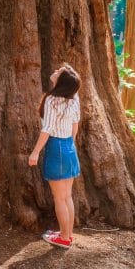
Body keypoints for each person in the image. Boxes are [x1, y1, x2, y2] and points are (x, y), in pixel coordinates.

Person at [28, 64, 81, 249]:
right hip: (68, 146)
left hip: (57, 146)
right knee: (67, 197)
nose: (56, 71)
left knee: (60, 198)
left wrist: (35, 152)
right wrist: (70, 145)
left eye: (60, 72)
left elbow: (48, 129)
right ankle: (67, 235)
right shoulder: (74, 98)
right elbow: (75, 124)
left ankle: (64, 239)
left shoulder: (52, 100)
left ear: (62, 81)